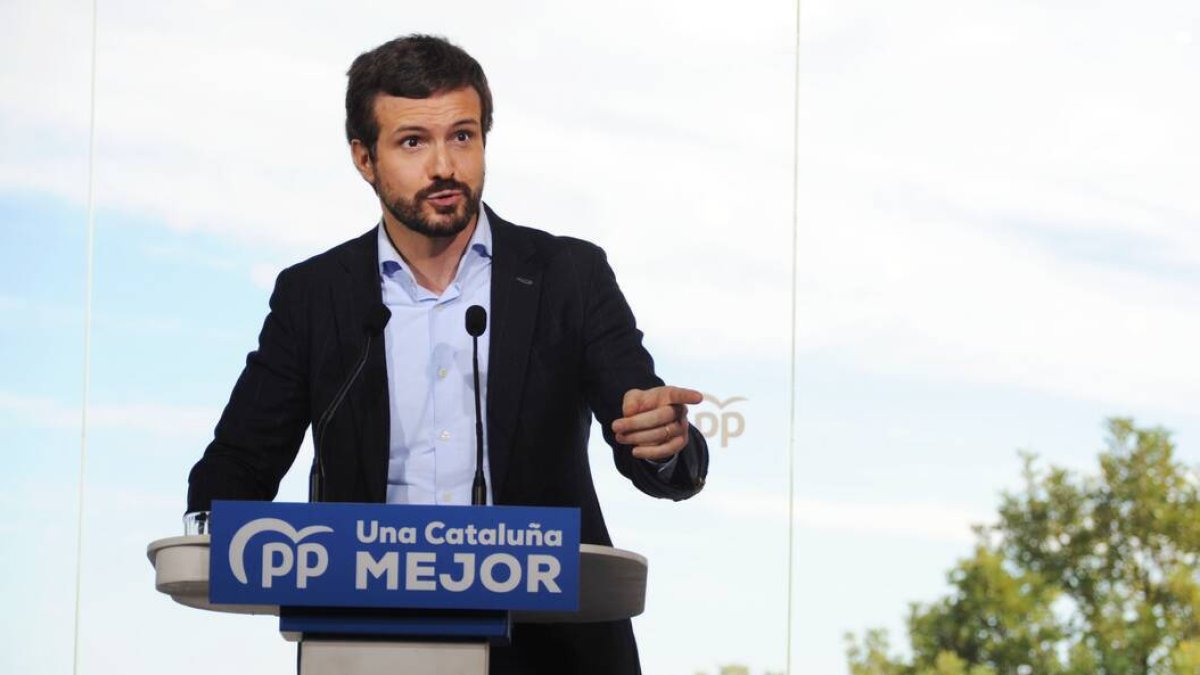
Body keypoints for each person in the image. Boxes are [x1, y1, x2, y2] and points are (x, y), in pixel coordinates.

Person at [186, 34, 708, 674]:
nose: (444, 165)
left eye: (462, 136)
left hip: (552, 649)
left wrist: (663, 440)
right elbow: (237, 465)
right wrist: (209, 520)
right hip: (367, 645)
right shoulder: (315, 296)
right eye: (413, 142)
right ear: (364, 158)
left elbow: (643, 415)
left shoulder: (566, 274)